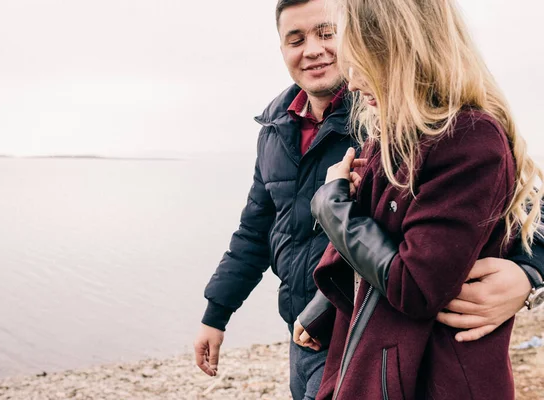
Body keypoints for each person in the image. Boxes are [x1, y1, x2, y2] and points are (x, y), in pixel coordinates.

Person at [194, 0, 544, 399]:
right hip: (318, 330)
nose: (312, 49)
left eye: (327, 34)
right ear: (281, 49)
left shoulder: (407, 118)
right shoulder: (278, 128)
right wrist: (217, 314)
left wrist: (530, 274)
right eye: (296, 39)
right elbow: (255, 231)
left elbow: (524, 201)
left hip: (399, 348)